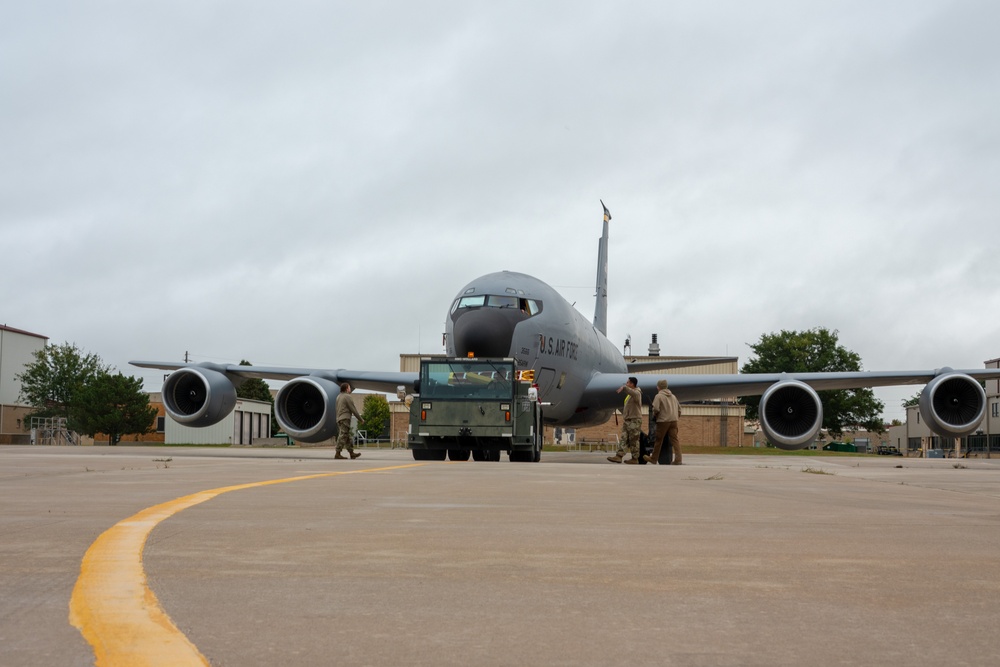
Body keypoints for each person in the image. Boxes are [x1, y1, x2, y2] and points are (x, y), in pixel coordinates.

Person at [644, 379, 680, 465]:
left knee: (658, 440)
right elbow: (679, 409)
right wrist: (676, 417)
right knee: (675, 440)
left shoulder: (658, 396)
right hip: (674, 421)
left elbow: (656, 408)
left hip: (663, 421)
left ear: (658, 387)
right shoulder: (673, 396)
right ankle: (678, 459)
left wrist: (655, 415)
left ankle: (654, 458)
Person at [608, 376, 643, 464]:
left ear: (632, 384)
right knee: (624, 438)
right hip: (628, 420)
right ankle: (619, 456)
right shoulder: (629, 396)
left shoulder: (637, 393)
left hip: (634, 420)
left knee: (633, 439)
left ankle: (635, 458)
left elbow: (633, 393)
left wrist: (624, 388)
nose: (626, 384)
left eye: (628, 382)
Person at [334, 382, 364, 459]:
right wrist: (361, 419)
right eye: (349, 387)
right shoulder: (347, 397)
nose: (350, 389)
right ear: (347, 389)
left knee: (347, 436)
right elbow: (353, 409)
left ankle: (351, 453)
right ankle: (337, 453)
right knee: (343, 435)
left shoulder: (339, 396)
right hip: (345, 418)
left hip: (339, 418)